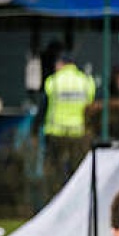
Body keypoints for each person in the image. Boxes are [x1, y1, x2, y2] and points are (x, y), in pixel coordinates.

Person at [42, 53, 95, 196]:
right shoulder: (85, 82)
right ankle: (77, 201)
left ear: (61, 64)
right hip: (78, 133)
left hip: (56, 133)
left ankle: (55, 201)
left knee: (55, 173)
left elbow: (45, 105)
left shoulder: (53, 81)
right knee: (78, 173)